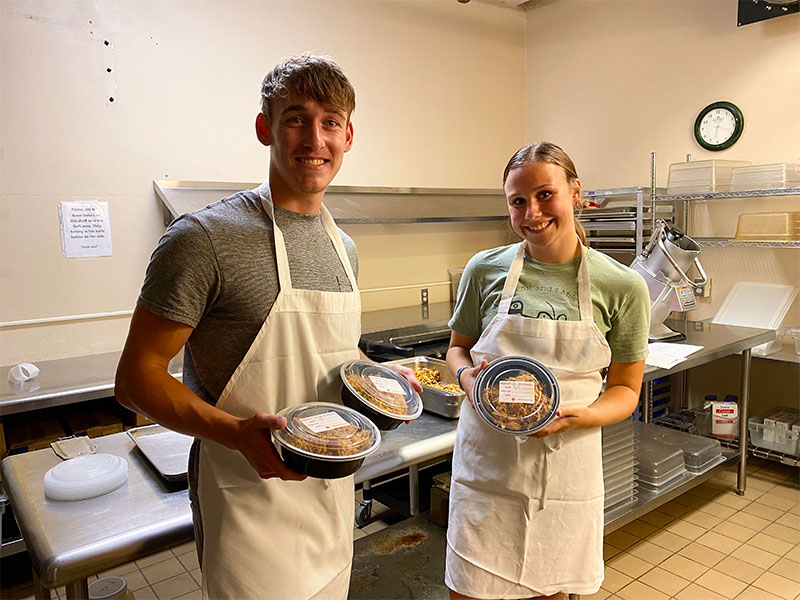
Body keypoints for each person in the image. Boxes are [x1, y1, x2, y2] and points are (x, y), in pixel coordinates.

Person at [115, 54, 418, 600]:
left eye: (330, 121)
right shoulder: (203, 238)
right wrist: (233, 433)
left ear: (348, 136)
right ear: (265, 128)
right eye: (295, 117)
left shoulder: (342, 246)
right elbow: (137, 378)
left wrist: (384, 381)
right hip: (244, 499)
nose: (315, 137)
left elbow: (334, 356)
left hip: (329, 496)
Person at [444, 142, 650, 600]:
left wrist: (582, 416)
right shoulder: (485, 269)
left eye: (544, 195)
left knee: (549, 590)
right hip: (487, 472)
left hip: (565, 469)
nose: (531, 213)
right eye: (517, 201)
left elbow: (625, 389)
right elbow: (456, 351)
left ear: (576, 193)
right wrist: (469, 379)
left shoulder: (623, 285)